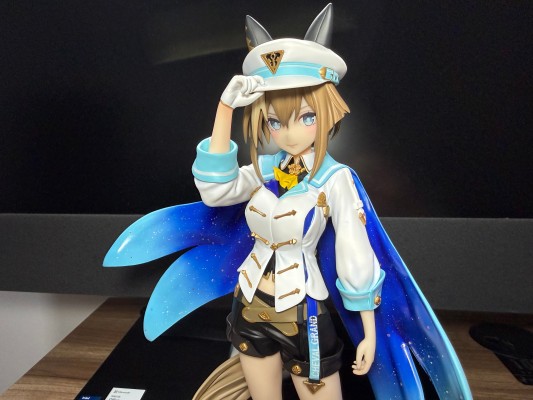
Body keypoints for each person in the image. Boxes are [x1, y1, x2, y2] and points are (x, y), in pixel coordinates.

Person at [104, 4, 472, 400]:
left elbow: (355, 252)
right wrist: (225, 110)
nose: (290, 133)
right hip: (248, 307)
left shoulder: (335, 180)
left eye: (306, 117)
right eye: (275, 122)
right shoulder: (263, 168)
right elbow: (215, 190)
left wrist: (368, 331)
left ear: (328, 113)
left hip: (303, 315)